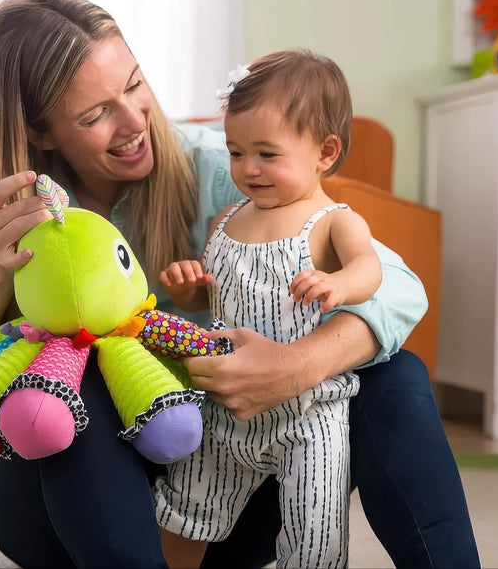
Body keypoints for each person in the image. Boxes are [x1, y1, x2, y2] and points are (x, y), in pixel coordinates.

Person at [0, 0, 480, 569]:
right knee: (83, 364)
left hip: (229, 497)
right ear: (39, 133)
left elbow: (398, 285)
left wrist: (296, 365)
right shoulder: (16, 214)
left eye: (135, 86)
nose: (135, 121)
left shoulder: (236, 169)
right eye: (98, 113)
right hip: (61, 511)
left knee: (393, 375)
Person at [154, 49, 383, 568]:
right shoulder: (227, 219)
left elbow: (370, 269)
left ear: (325, 152)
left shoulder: (332, 221)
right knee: (184, 513)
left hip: (309, 414)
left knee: (314, 532)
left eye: (267, 154)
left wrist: (338, 284)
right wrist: (189, 287)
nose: (248, 169)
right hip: (224, 406)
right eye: (236, 152)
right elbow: (210, 301)